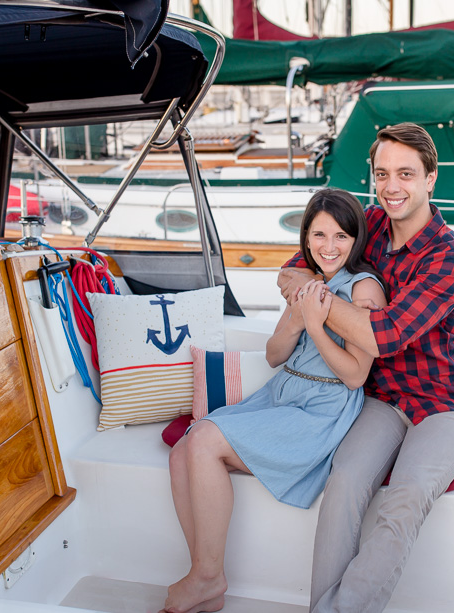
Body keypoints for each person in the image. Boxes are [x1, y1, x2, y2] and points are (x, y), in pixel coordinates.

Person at [277, 122, 454, 613]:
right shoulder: (365, 224)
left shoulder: (448, 256)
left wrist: (317, 300)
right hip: (382, 400)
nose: (392, 186)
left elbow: (381, 335)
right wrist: (316, 287)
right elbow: (291, 268)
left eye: (406, 174)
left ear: (431, 179)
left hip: (443, 405)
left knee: (404, 500)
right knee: (344, 482)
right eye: (382, 172)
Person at [162, 188, 388, 613]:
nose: (329, 246)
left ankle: (207, 577)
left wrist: (319, 326)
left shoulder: (364, 290)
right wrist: (298, 316)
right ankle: (204, 577)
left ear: (356, 240)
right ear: (306, 238)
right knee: (183, 450)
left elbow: (357, 375)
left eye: (341, 236)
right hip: (283, 391)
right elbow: (273, 355)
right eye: (319, 235)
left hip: (322, 409)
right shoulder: (310, 280)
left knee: (206, 439)